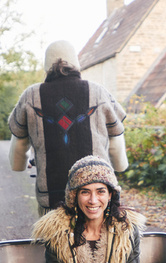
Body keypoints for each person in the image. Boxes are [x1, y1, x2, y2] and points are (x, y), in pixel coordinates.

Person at [20, 155, 166, 263]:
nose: (93, 200)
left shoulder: (126, 230)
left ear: (110, 195)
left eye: (100, 191)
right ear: (74, 196)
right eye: (85, 192)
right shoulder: (56, 231)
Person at [8, 40, 128, 214]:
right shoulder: (99, 93)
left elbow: (19, 144)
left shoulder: (30, 96)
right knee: (99, 238)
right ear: (76, 64)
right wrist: (120, 167)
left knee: (53, 238)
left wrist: (19, 165)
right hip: (95, 197)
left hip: (51, 197)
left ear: (46, 66)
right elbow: (116, 140)